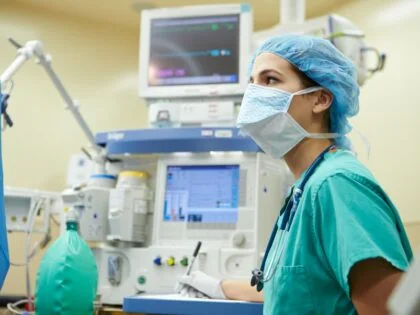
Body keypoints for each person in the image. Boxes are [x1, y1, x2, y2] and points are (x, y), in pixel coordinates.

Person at [176, 34, 413, 315]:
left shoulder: (337, 185)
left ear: (321, 99)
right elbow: (296, 285)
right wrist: (218, 286)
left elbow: (388, 309)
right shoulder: (304, 188)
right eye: (252, 83)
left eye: (270, 80)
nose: (254, 94)